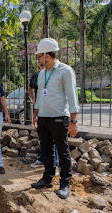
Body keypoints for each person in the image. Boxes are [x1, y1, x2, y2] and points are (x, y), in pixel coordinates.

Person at [32, 38, 79, 199]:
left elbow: (72, 97)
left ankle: (65, 184)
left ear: (46, 55)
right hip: (43, 118)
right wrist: (36, 114)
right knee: (47, 152)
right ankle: (47, 179)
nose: (38, 59)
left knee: (63, 152)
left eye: (39, 56)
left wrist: (73, 121)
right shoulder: (42, 73)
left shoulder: (65, 71)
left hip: (59, 118)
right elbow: (39, 96)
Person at [29, 61, 59, 173]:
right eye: (41, 65)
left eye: (44, 64)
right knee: (43, 137)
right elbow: (30, 87)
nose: (42, 67)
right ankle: (42, 159)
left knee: (53, 138)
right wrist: (33, 100)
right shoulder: (37, 76)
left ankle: (55, 165)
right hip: (40, 110)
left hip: (52, 111)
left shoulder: (54, 75)